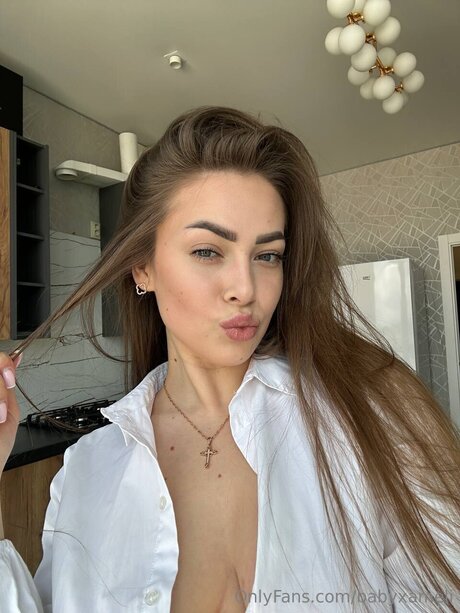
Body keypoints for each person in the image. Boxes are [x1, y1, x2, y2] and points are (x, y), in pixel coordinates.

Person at [0, 105, 459, 613]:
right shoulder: (87, 470)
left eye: (268, 255)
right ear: (143, 268)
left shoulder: (371, 413)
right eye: (207, 251)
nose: (246, 289)